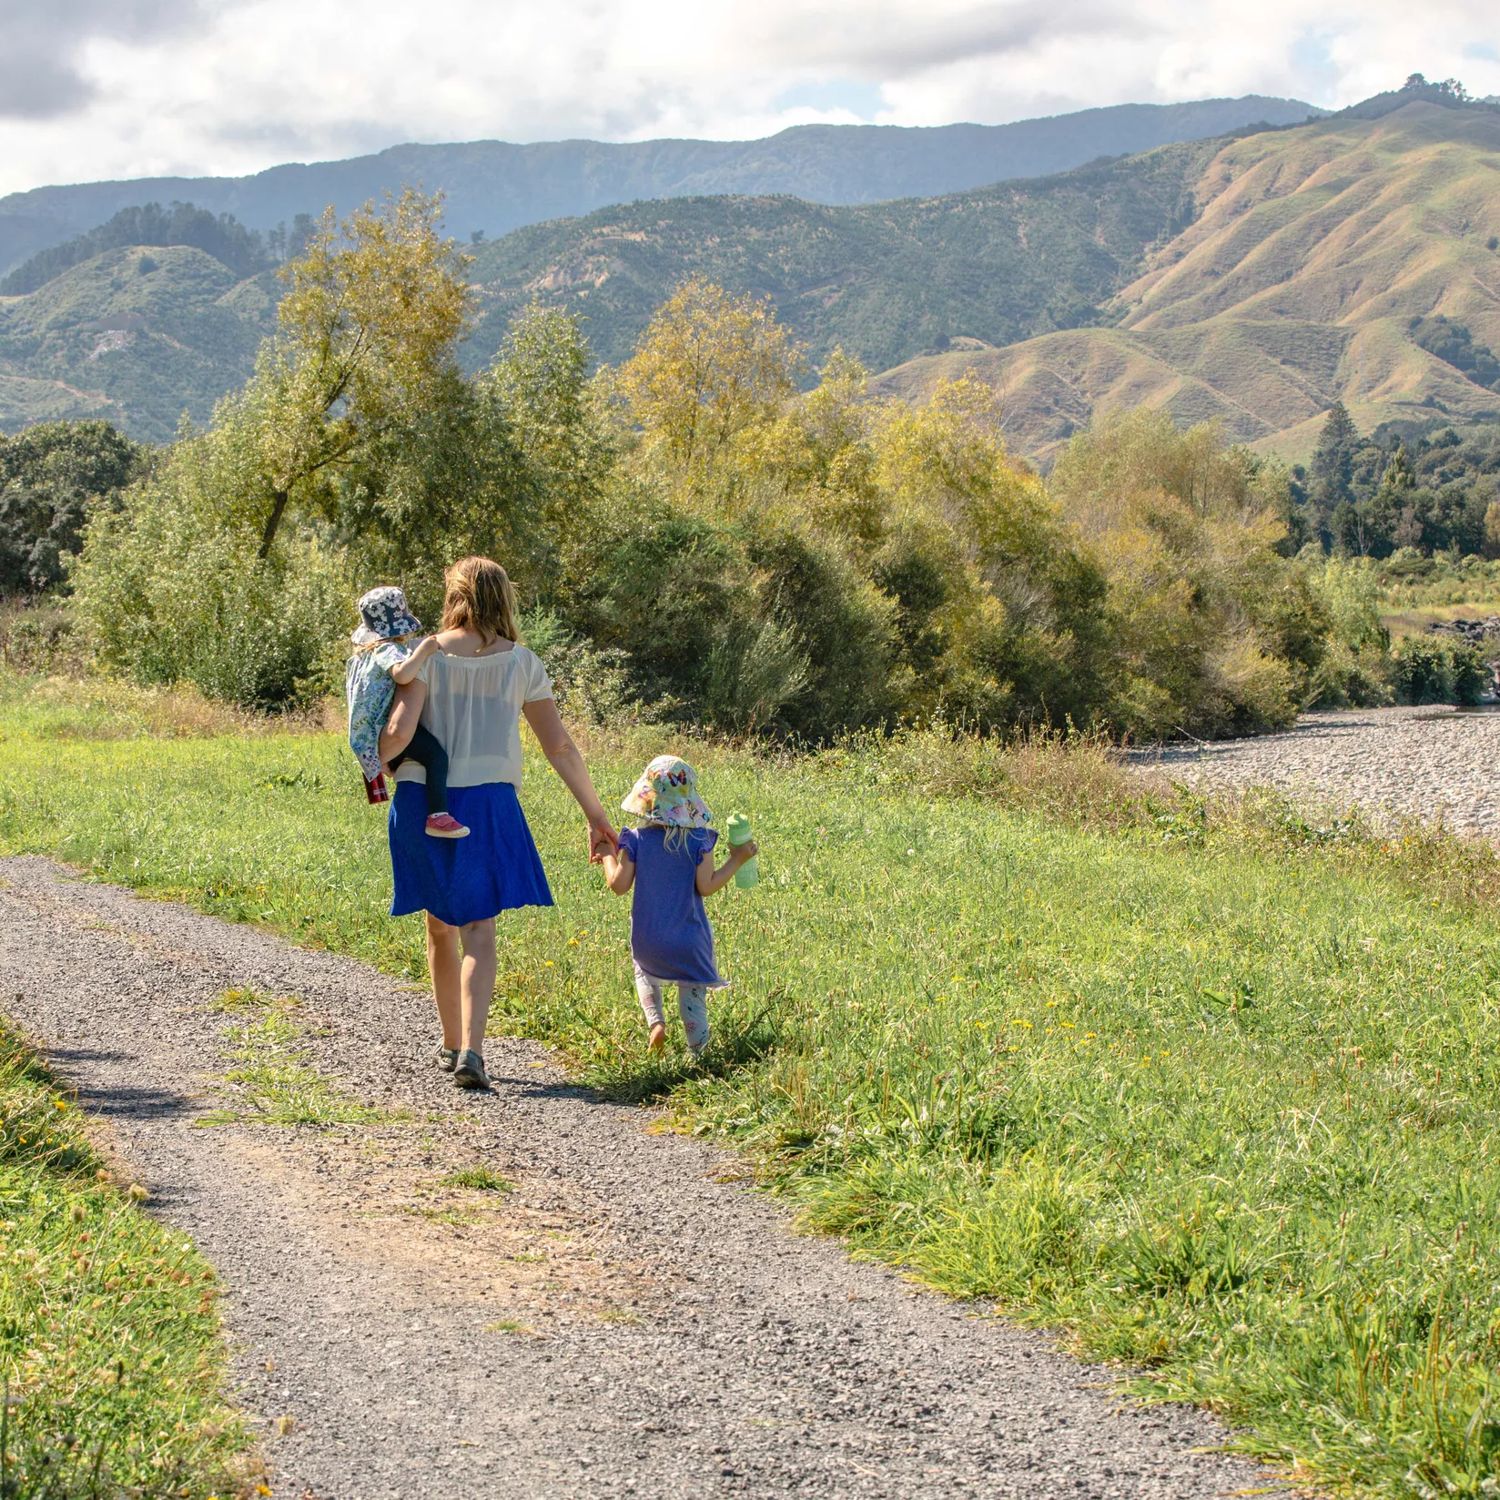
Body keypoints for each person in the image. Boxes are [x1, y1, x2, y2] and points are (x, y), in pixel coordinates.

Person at [380, 557, 618, 1090]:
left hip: (423, 798)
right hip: (489, 803)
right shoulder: (523, 663)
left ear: (455, 597)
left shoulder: (426, 656)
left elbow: (394, 730)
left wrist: (375, 763)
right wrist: (595, 815)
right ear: (503, 599)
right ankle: (472, 1051)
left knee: (439, 925)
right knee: (479, 930)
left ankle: (449, 1043)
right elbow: (558, 745)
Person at [599, 756, 757, 1057]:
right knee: (692, 993)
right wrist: (737, 859)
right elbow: (706, 886)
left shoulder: (636, 840)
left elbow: (618, 886)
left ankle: (656, 1023)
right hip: (690, 941)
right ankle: (698, 1054)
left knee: (644, 972)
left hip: (648, 939)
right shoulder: (700, 839)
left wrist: (608, 854)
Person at [345, 585, 468, 838]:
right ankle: (438, 816)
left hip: (371, 729)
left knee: (420, 758)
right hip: (385, 724)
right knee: (436, 757)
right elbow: (402, 675)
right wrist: (424, 650)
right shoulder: (386, 649)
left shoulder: (362, 657)